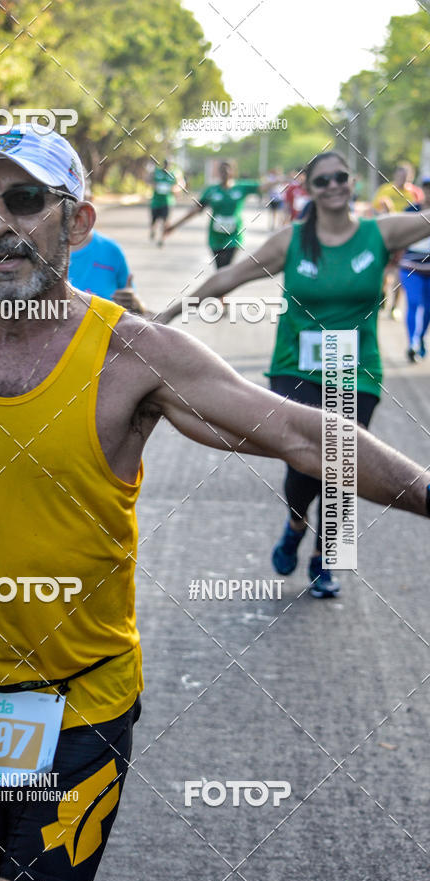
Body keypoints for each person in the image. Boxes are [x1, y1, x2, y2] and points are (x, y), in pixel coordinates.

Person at [0, 129, 430, 881]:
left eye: (23, 200)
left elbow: (301, 431)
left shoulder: (133, 354)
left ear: (76, 223)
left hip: (82, 709)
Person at [159, 150, 430, 600]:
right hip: (297, 367)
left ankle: (326, 561)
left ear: (352, 182)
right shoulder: (292, 240)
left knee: (345, 467)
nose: (334, 186)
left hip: (354, 369)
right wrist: (166, 315)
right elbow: (231, 278)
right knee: (304, 464)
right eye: (322, 181)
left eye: (341, 177)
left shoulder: (378, 233)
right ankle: (294, 523)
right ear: (310, 188)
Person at [164, 160, 260, 268]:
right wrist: (174, 226)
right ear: (219, 173)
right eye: (222, 170)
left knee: (226, 268)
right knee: (220, 268)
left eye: (228, 169)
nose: (225, 172)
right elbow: (195, 210)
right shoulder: (212, 190)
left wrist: (280, 180)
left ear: (233, 172)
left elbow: (263, 186)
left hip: (234, 235)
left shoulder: (241, 187)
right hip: (216, 237)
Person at [69, 187, 144, 314]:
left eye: (83, 198)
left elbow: (137, 310)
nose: (77, 211)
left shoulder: (111, 251)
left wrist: (135, 304)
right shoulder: (39, 253)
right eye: (71, 199)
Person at [373, 162, 422, 319]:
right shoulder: (385, 190)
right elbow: (374, 211)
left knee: (400, 273)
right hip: (386, 237)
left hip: (406, 238)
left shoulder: (415, 193)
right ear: (395, 175)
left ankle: (394, 307)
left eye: (406, 177)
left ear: (411, 177)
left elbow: (421, 212)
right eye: (400, 175)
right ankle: (382, 295)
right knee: (384, 271)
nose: (402, 179)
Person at [400, 178, 430, 362]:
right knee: (414, 302)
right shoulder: (410, 212)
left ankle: (419, 338)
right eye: (427, 188)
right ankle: (412, 343)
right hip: (411, 266)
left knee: (427, 309)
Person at [149, 158, 182, 247]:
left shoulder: (173, 175)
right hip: (156, 202)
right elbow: (150, 181)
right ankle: (153, 230)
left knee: (165, 221)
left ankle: (162, 239)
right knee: (154, 220)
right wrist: (155, 185)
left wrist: (173, 189)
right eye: (165, 164)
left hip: (167, 202)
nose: (166, 167)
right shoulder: (157, 173)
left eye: (168, 165)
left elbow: (179, 185)